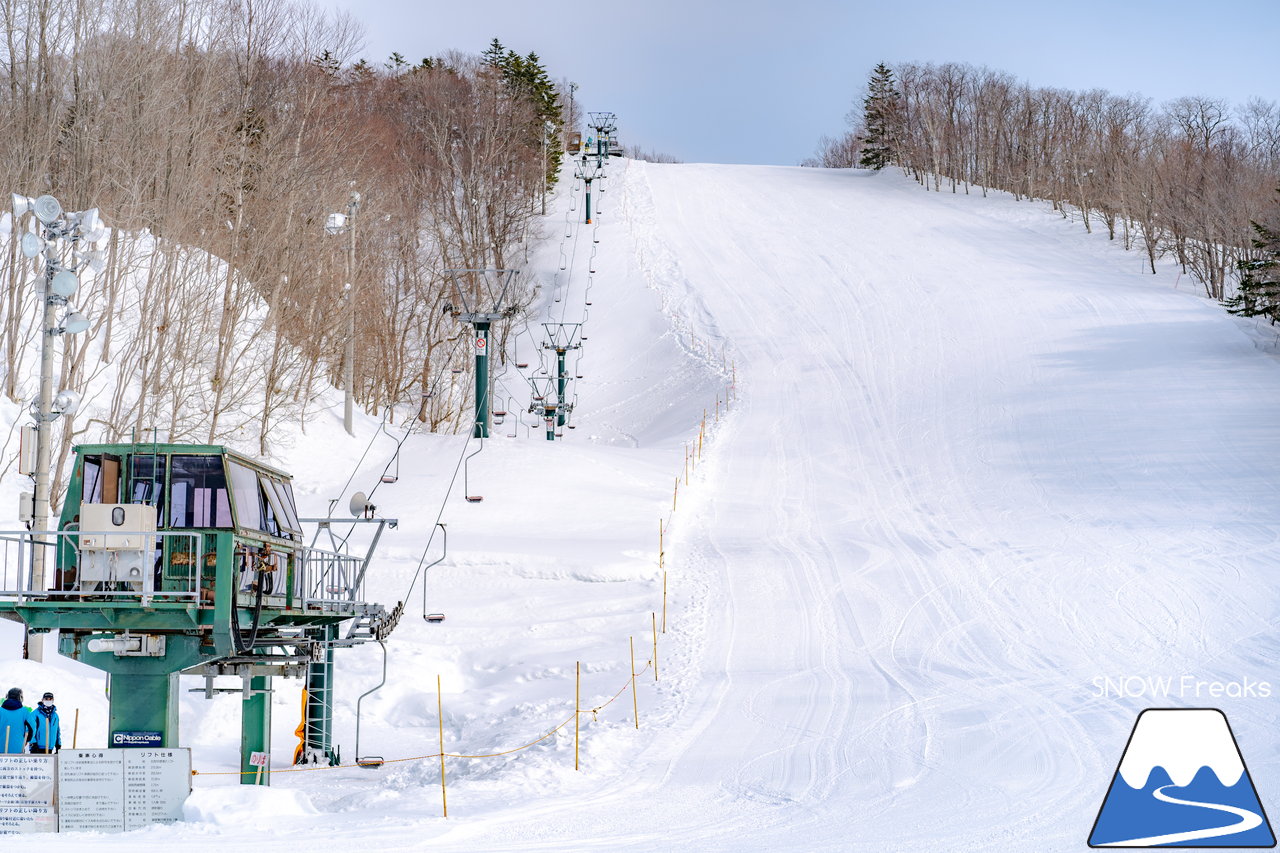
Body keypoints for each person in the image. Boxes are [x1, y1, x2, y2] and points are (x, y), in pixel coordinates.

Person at [0, 687, 32, 753]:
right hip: (18, 748)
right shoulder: (24, 712)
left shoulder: (0, 711)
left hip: (1, 748)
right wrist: (27, 740)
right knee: (16, 763)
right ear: (20, 698)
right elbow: (32, 727)